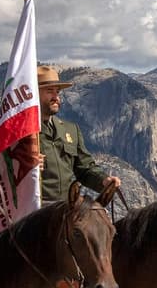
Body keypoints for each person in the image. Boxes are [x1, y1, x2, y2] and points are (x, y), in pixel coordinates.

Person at [10, 65, 120, 203]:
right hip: (34, 209)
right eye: (49, 91)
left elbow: (84, 168)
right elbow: (4, 170)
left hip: (67, 207)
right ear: (34, 94)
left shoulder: (71, 130)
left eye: (57, 92)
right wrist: (23, 164)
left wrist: (104, 180)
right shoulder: (19, 131)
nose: (56, 97)